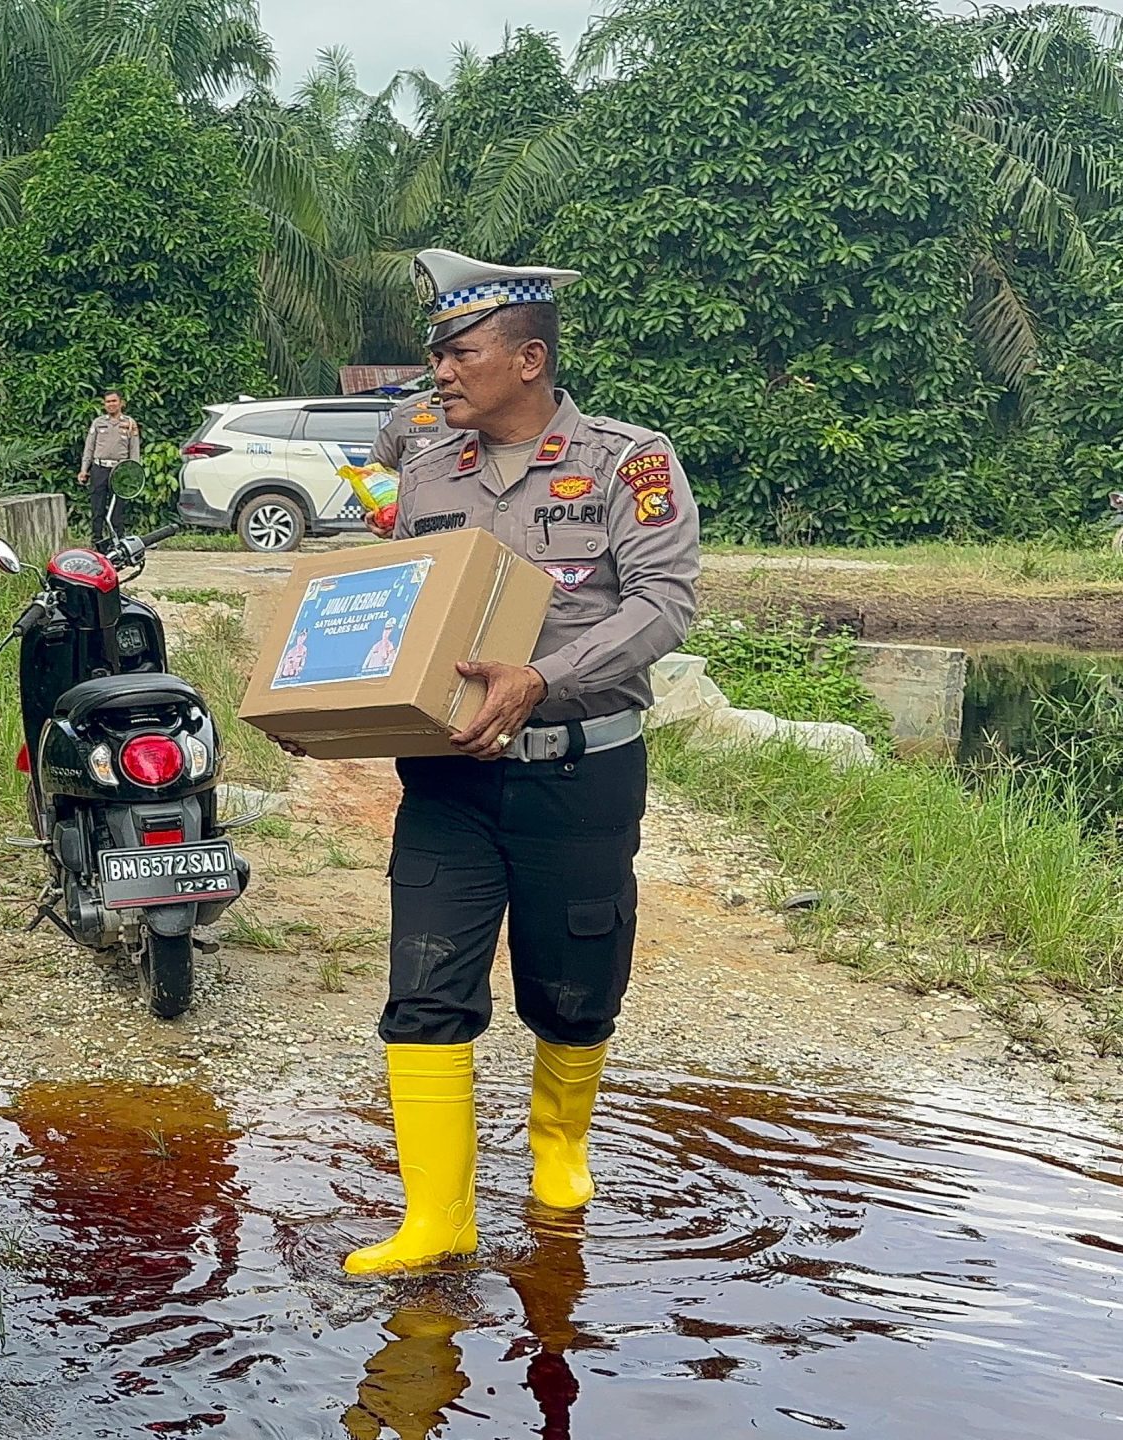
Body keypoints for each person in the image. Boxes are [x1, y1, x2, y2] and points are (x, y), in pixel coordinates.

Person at [342, 247, 699, 1276]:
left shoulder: (628, 462)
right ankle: (437, 1221)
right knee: (423, 985)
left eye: (459, 353)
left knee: (574, 986)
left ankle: (558, 1144)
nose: (439, 372)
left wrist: (541, 679)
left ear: (528, 358)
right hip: (449, 780)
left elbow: (664, 601)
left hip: (579, 772)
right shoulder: (425, 472)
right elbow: (397, 614)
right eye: (436, 354)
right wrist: (330, 705)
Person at [79, 390, 141, 543]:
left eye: (114, 401)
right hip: (99, 468)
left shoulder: (129, 423)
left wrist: (134, 472)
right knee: (97, 507)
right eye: (108, 402)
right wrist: (84, 470)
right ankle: (97, 541)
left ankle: (118, 540)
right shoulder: (98, 422)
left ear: (121, 403)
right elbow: (89, 447)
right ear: (104, 404)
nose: (111, 404)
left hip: (120, 470)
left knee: (118, 508)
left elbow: (134, 450)